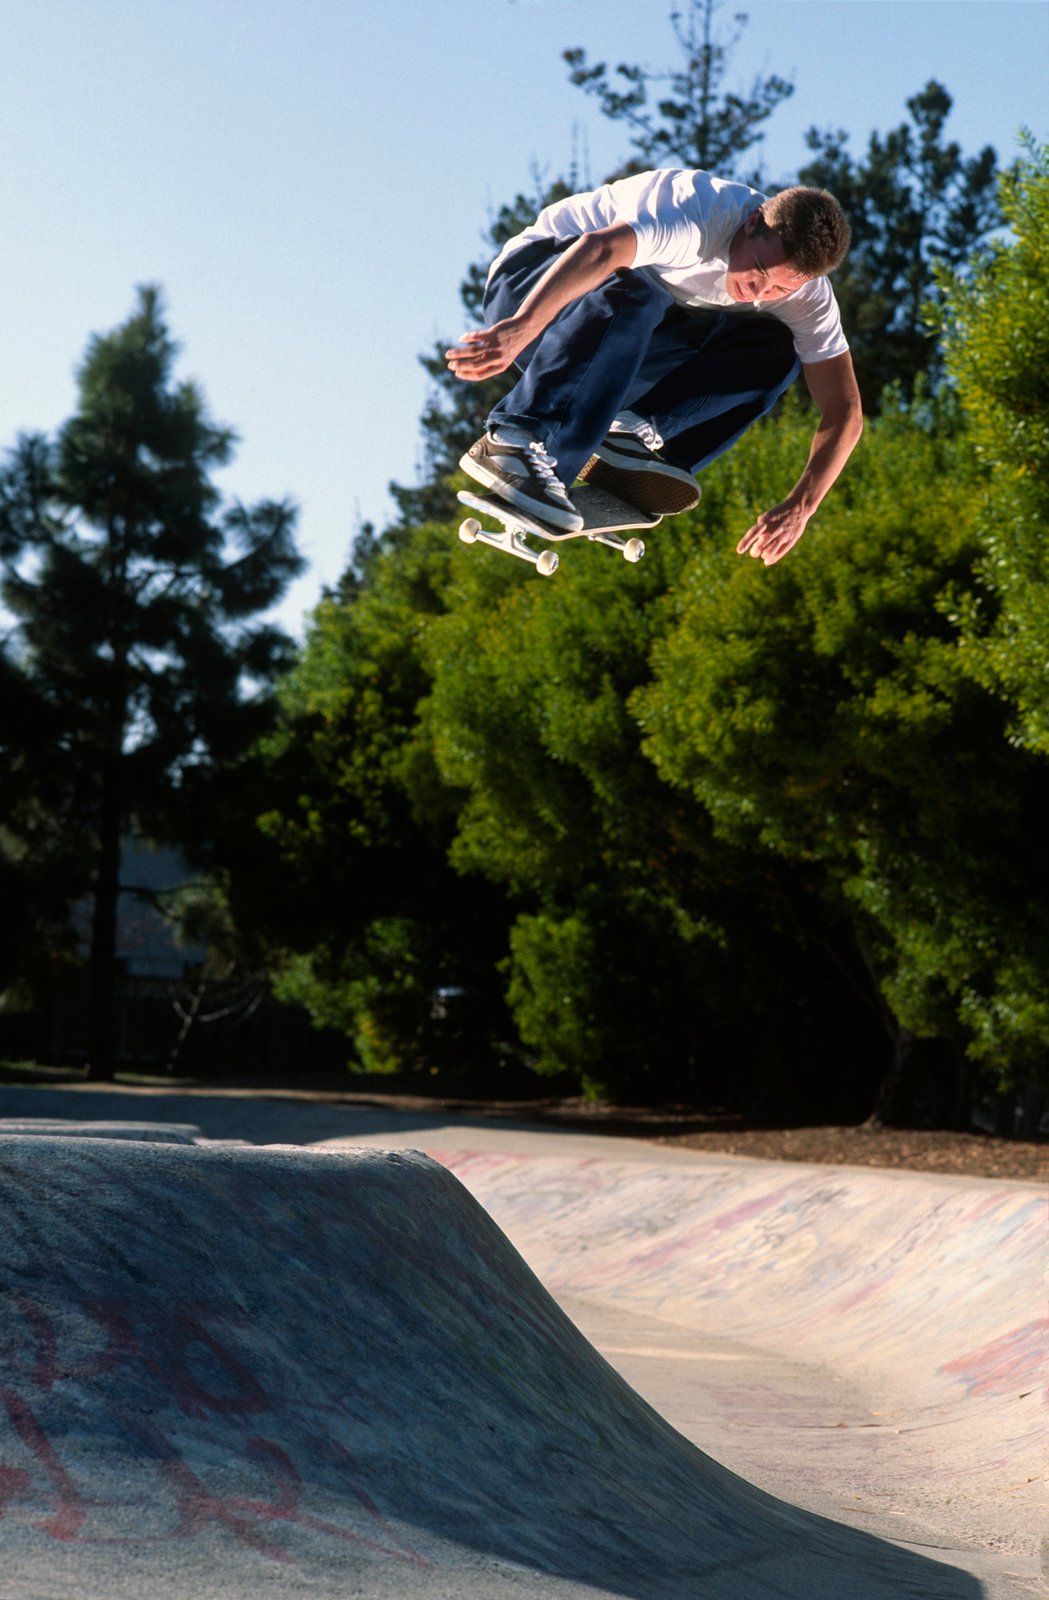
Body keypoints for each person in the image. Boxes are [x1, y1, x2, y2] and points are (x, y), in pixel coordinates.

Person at [446, 168, 863, 566]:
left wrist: (803, 505)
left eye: (779, 288)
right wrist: (521, 325)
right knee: (638, 290)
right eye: (758, 273)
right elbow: (601, 250)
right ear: (753, 222)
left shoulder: (807, 298)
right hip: (534, 286)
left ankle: (631, 440)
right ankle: (516, 439)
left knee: (777, 349)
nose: (759, 292)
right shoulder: (696, 212)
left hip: (615, 350)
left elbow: (844, 410)